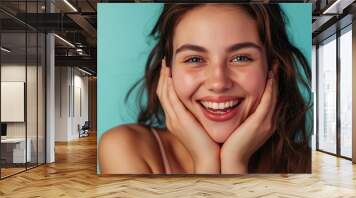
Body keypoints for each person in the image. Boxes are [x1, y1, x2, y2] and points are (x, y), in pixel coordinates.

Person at [99, 3, 312, 174]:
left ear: (272, 69)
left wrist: (234, 163)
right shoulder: (126, 148)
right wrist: (206, 161)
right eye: (194, 59)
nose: (218, 83)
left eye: (240, 58)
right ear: (168, 70)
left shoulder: (304, 163)